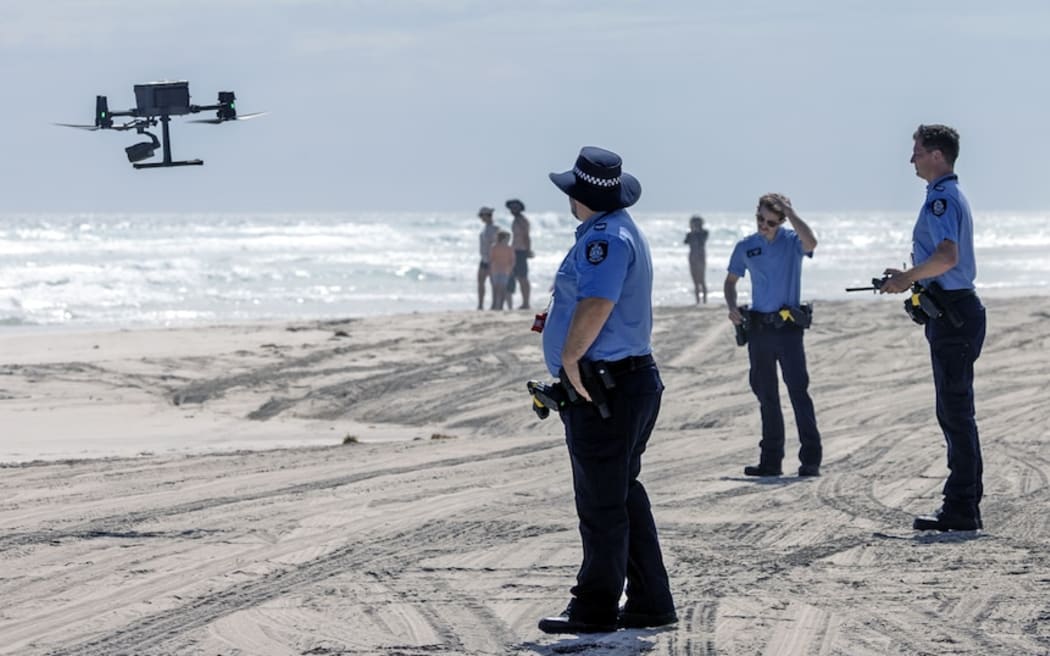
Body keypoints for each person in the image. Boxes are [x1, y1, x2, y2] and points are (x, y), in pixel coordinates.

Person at [537, 146, 676, 635]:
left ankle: (594, 608)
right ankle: (650, 601)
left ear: (580, 196)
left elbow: (598, 301)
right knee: (621, 494)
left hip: (606, 388)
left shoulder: (606, 238)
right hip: (622, 383)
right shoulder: (614, 232)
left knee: (600, 505)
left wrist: (570, 358)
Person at [878, 124, 985, 532]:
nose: (912, 159)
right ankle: (964, 503)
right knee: (955, 412)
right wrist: (909, 276)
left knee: (956, 414)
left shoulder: (942, 198)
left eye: (917, 151)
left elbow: (946, 257)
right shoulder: (948, 195)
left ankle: (961, 509)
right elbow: (939, 262)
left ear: (937, 155)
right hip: (955, 310)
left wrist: (908, 279)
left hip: (955, 314)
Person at [724, 193, 822, 478]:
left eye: (770, 221)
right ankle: (770, 461)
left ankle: (810, 459)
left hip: (788, 329)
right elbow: (730, 281)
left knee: (798, 393)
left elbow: (812, 243)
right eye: (760, 219)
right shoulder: (746, 246)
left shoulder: (792, 242)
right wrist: (732, 307)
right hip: (759, 330)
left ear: (780, 221)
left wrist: (791, 212)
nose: (764, 225)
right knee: (766, 395)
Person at [506, 198, 532, 309]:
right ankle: (524, 302)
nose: (512, 210)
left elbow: (526, 236)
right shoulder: (516, 220)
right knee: (519, 277)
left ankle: (526, 302)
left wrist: (528, 250)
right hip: (516, 250)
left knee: (523, 278)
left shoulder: (522, 220)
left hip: (521, 251)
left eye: (514, 208)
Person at [476, 206, 499, 310]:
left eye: (482, 215)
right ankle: (480, 304)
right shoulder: (485, 228)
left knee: (493, 283)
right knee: (481, 282)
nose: (481, 218)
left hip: (492, 260)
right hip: (484, 258)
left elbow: (495, 245)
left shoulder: (495, 229)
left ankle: (494, 304)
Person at [684, 214, 709, 304]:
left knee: (701, 279)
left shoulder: (704, 233)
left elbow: (703, 240)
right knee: (695, 280)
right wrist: (692, 232)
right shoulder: (690, 234)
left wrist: (696, 232)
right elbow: (685, 241)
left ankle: (705, 300)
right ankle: (698, 300)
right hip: (692, 257)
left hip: (700, 256)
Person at [488, 230, 514, 311]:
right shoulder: (494, 247)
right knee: (496, 288)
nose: (508, 240)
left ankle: (500, 306)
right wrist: (490, 271)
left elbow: (512, 260)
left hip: (505, 271)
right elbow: (491, 260)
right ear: (502, 238)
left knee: (502, 289)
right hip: (495, 270)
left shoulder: (509, 248)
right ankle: (495, 305)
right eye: (507, 238)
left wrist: (511, 269)